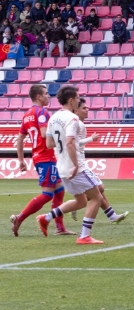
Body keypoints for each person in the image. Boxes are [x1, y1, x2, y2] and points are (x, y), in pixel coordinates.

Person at [37, 85, 104, 244]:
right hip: (75, 167)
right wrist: (75, 164)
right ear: (71, 100)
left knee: (81, 201)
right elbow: (69, 143)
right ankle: (84, 236)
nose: (79, 100)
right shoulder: (73, 119)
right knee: (97, 197)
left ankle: (46, 217)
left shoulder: (53, 118)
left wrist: (63, 147)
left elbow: (49, 144)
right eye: (77, 97)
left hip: (61, 166)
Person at [10, 84, 72, 236]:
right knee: (47, 194)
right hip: (46, 157)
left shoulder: (27, 114)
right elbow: (45, 134)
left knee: (59, 191)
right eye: (45, 94)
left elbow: (20, 139)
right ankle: (20, 218)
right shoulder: (42, 113)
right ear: (38, 97)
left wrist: (21, 160)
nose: (48, 96)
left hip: (39, 157)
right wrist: (61, 133)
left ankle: (60, 228)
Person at [67, 98, 129, 224]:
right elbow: (73, 143)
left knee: (98, 190)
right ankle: (75, 206)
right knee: (99, 188)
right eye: (84, 108)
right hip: (77, 164)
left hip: (79, 162)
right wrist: (91, 139)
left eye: (87, 107)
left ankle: (112, 216)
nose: (87, 110)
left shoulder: (78, 124)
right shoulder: (77, 124)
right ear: (76, 110)